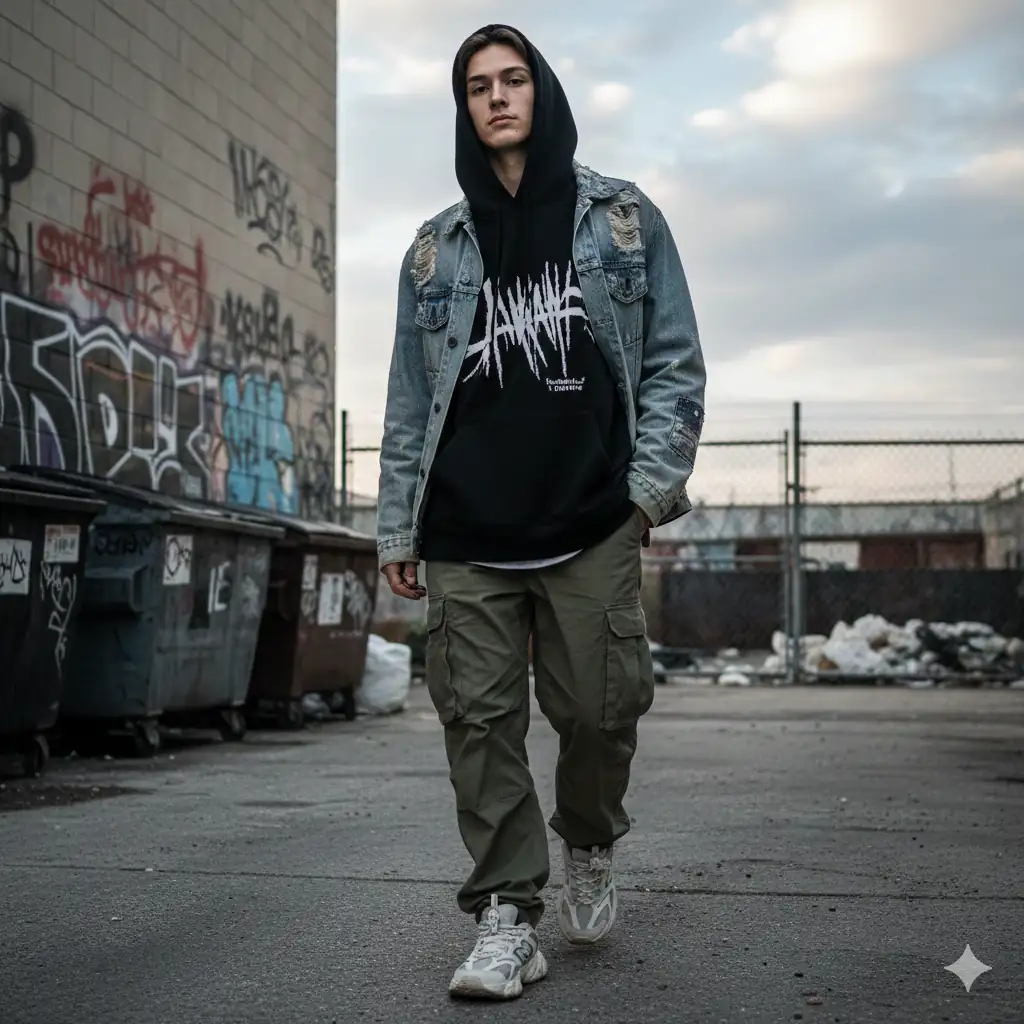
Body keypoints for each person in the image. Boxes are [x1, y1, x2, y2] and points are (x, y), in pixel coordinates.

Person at [376, 24, 706, 1000]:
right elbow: (407, 400)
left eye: (512, 78)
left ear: (542, 92)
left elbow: (674, 364)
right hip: (466, 527)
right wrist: (399, 524)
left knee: (603, 710)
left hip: (589, 519)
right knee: (477, 724)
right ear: (464, 107)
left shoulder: (622, 221)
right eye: (477, 85)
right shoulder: (435, 250)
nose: (496, 96)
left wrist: (642, 498)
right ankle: (508, 914)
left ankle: (589, 838)